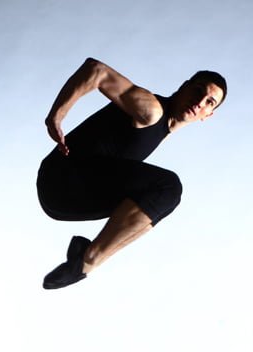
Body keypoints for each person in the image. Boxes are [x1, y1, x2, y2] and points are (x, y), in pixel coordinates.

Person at [37, 57, 227, 289]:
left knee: (159, 200)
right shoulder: (152, 110)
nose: (199, 102)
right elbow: (96, 70)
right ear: (184, 86)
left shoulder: (164, 130)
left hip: (69, 198)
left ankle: (83, 261)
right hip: (62, 177)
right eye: (197, 91)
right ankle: (87, 262)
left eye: (209, 102)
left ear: (208, 115)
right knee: (168, 187)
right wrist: (55, 116)